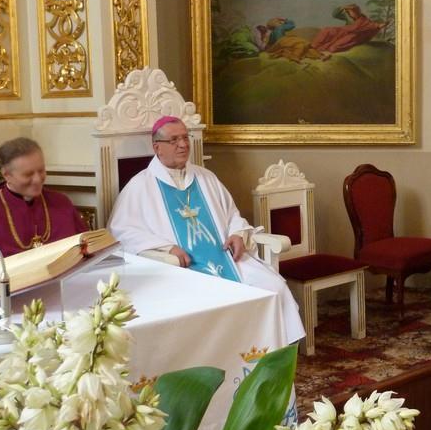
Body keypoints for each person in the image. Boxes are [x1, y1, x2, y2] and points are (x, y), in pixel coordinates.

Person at [107, 116, 305, 344]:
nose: (183, 144)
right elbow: (121, 231)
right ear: (157, 147)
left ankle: (274, 358)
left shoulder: (206, 178)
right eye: (174, 140)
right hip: (181, 270)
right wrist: (167, 248)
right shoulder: (140, 186)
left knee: (274, 287)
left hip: (227, 259)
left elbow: (232, 214)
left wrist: (238, 234)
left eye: (185, 137)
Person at [0, 138, 87, 271]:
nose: (37, 179)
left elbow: (87, 250)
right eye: (28, 174)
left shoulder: (61, 202)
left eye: (41, 171)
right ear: (7, 175)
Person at [311, 4, 386, 55]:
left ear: (357, 12)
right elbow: (335, 14)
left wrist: (380, 25)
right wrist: (342, 8)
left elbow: (373, 26)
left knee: (334, 47)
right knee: (326, 31)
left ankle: (322, 50)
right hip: (342, 32)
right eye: (349, 12)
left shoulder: (363, 20)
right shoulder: (349, 17)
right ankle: (314, 47)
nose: (350, 14)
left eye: (351, 12)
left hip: (353, 36)